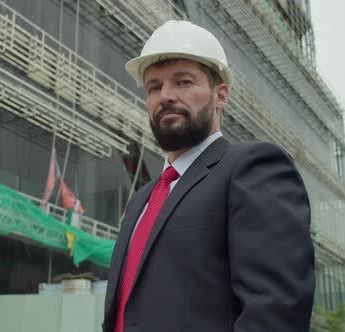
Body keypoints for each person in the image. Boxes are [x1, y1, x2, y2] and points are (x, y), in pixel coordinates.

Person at [103, 20, 314, 332]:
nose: (166, 96)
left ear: (221, 96)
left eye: (184, 82)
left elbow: (275, 313)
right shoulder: (140, 201)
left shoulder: (252, 168)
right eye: (154, 87)